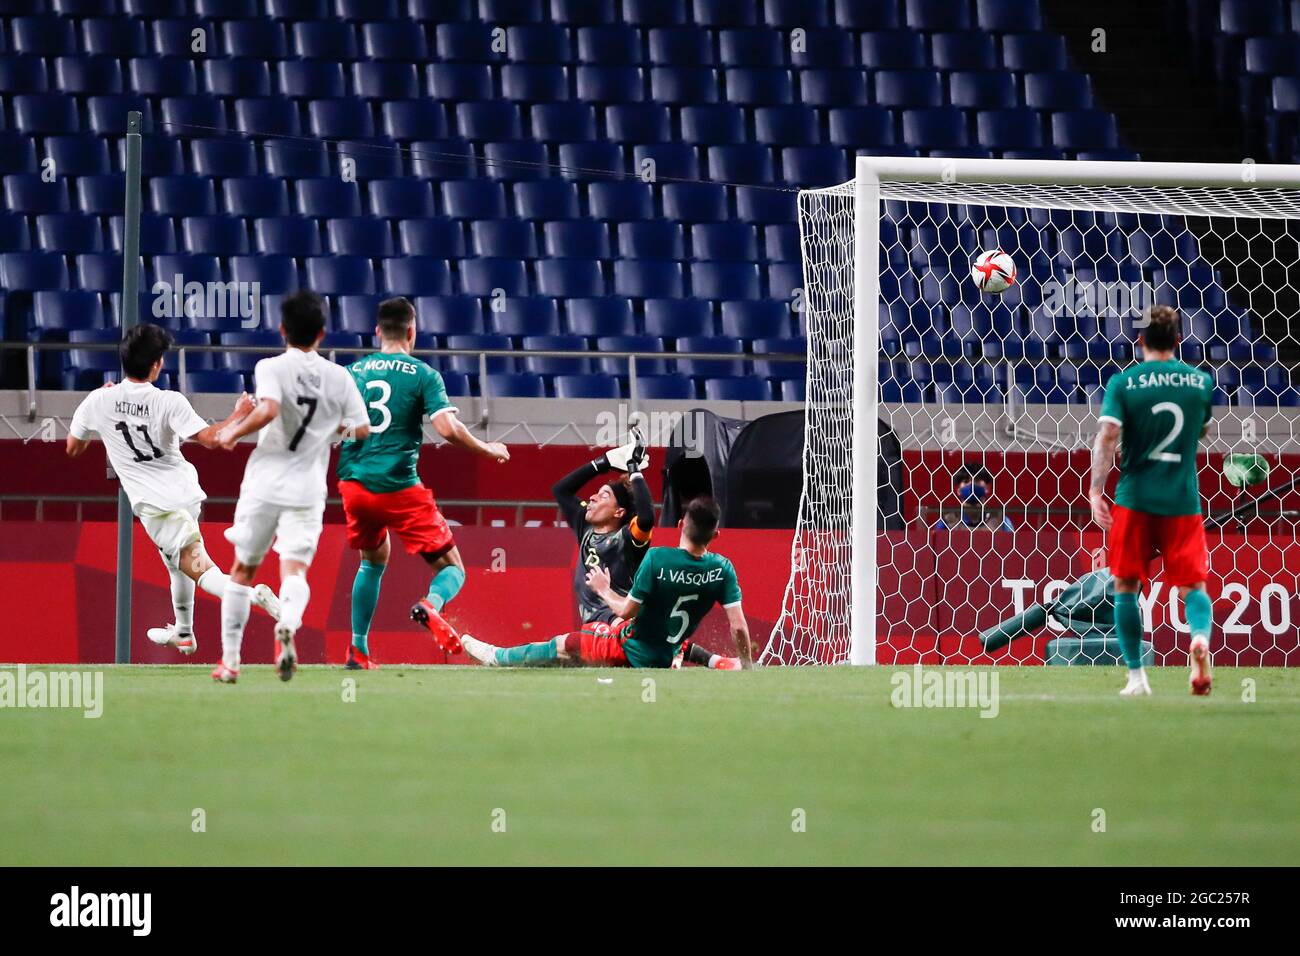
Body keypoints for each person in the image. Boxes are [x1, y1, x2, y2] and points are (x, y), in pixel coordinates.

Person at [65, 323, 280, 655]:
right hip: (186, 494)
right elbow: (211, 440)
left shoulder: (99, 400)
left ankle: (253, 596)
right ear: (157, 365)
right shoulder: (170, 401)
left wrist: (100, 421)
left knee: (201, 569)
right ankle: (183, 632)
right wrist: (237, 414)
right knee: (176, 563)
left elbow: (73, 450)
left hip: (156, 508)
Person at [337, 296, 510, 669]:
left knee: (372, 560)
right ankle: (430, 605)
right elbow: (447, 429)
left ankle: (357, 650)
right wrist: (487, 448)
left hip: (354, 485)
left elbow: (330, 425)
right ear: (413, 332)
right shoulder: (421, 374)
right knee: (453, 568)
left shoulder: (351, 373)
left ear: (378, 331)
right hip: (398, 485)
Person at [212, 291, 371, 684]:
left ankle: (230, 663)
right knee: (295, 570)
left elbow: (268, 409)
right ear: (322, 333)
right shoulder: (340, 377)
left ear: (282, 329)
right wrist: (330, 429)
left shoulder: (272, 366)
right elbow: (363, 430)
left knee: (242, 571)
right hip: (306, 489)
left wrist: (232, 430)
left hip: (265, 482)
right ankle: (289, 620)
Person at [460, 497, 753, 669]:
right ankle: (719, 662)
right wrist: (749, 665)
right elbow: (739, 626)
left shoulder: (657, 559)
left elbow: (626, 610)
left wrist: (603, 589)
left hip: (630, 649)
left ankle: (496, 657)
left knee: (565, 643)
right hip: (665, 651)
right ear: (716, 535)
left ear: (680, 525)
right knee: (655, 628)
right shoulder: (723, 568)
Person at [1089, 304, 1215, 697]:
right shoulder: (1199, 382)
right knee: (1193, 586)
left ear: (1140, 341)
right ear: (1178, 341)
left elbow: (1108, 436)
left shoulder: (1124, 383)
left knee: (1125, 586)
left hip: (1135, 498)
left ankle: (1137, 679)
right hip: (1181, 500)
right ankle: (1199, 640)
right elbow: (1203, 429)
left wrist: (1096, 489)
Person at [933, 462, 1015, 531]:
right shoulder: (947, 521)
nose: (971, 485)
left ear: (987, 488)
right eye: (966, 481)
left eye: (977, 481)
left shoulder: (1000, 521)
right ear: (958, 490)